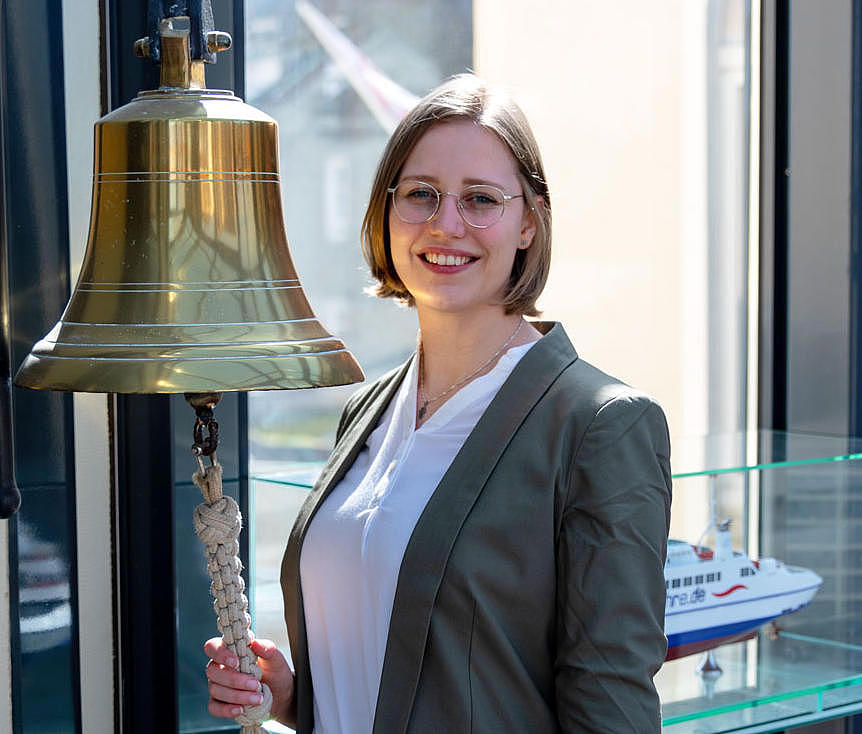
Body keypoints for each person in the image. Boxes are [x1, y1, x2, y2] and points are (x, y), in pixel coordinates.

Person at [205, 73, 672, 733]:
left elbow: (613, 707)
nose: (444, 224)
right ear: (386, 211)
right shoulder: (367, 411)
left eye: (481, 199)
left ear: (529, 224)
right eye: (420, 194)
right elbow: (398, 670)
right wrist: (292, 695)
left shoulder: (599, 425)